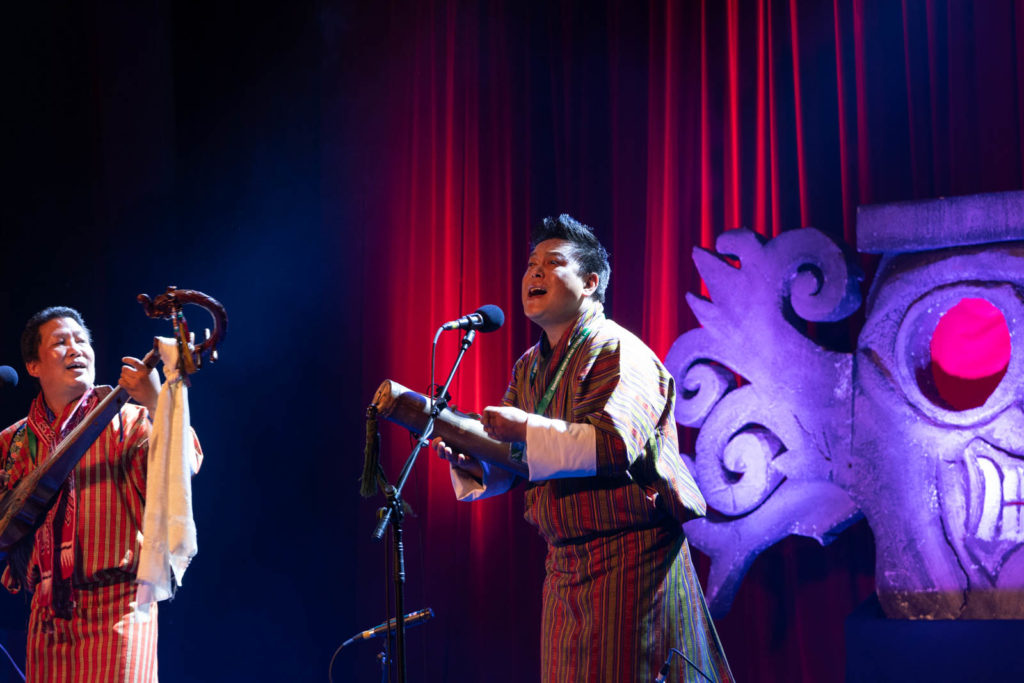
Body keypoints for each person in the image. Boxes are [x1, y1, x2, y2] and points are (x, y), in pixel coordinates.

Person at [434, 215, 733, 682]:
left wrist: (524, 426)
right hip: (565, 567)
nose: (533, 273)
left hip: (631, 561)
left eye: (552, 264)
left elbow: (613, 445)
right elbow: (519, 461)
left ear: (591, 282)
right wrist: (475, 460)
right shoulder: (529, 367)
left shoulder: (619, 349)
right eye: (531, 264)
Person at [0, 306, 201, 682]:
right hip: (46, 618)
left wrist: (156, 401)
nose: (76, 348)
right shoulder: (13, 441)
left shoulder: (126, 420)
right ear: (33, 366)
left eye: (81, 340)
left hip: (117, 607)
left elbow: (183, 466)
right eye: (61, 342)